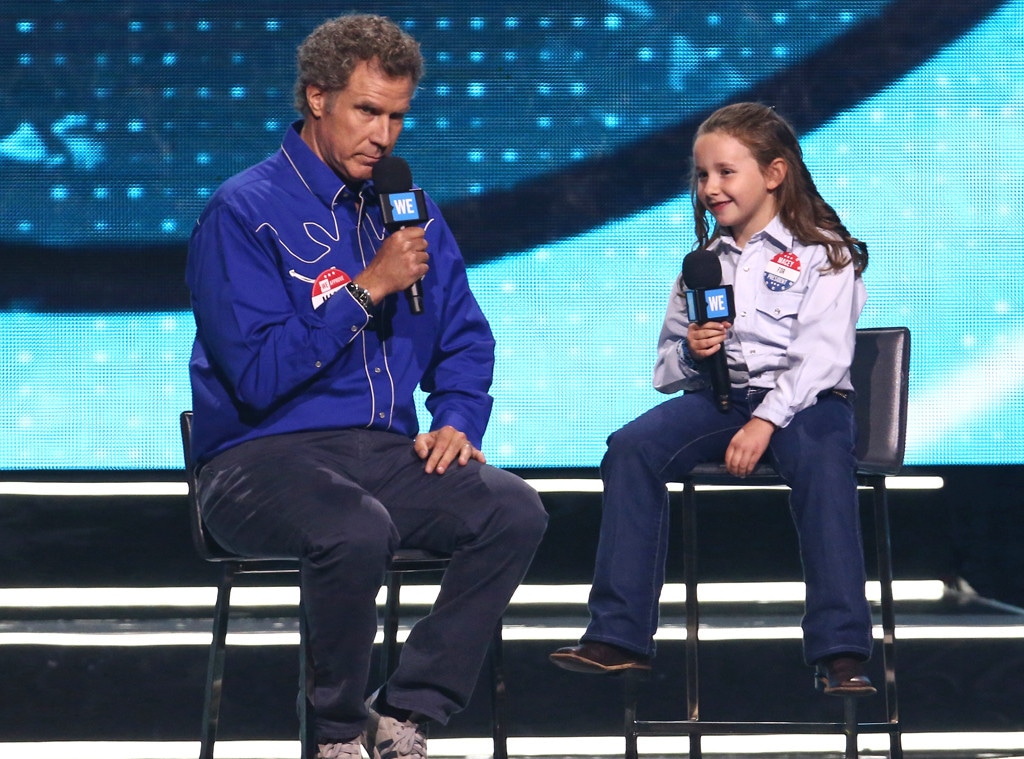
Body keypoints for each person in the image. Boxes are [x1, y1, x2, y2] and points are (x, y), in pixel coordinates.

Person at [185, 14, 548, 759]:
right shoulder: (243, 211)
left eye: (396, 116)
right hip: (258, 459)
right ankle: (338, 731)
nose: (383, 136)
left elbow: (464, 337)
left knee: (512, 509)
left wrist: (456, 417)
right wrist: (366, 288)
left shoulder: (409, 212)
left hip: (380, 453)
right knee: (354, 527)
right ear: (317, 98)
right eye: (367, 111)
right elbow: (255, 374)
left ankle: (405, 711)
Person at [549, 101, 876, 697]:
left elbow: (822, 359)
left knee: (826, 465)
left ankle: (842, 651)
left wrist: (765, 424)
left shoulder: (825, 252)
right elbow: (664, 371)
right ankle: (619, 636)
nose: (710, 187)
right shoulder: (700, 266)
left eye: (726, 172)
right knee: (631, 448)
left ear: (774, 174)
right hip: (722, 400)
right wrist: (695, 353)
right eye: (703, 175)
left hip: (806, 404)